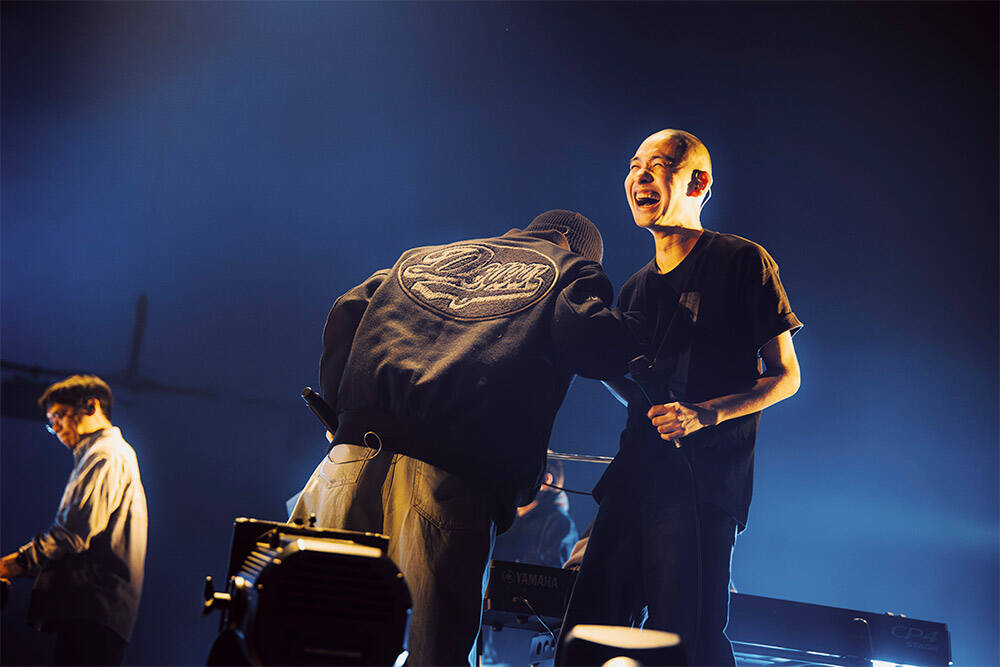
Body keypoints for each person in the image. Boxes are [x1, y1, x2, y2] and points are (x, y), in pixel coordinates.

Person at [290, 210, 642, 666]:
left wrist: (342, 409)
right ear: (577, 248)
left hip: (348, 461)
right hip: (448, 477)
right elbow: (595, 343)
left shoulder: (425, 256)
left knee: (314, 638)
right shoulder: (571, 270)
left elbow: (347, 310)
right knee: (431, 653)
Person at [557, 130, 802, 666]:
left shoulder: (742, 261)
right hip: (634, 477)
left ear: (698, 182)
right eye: (633, 165)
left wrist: (703, 415)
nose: (639, 176)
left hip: (704, 484)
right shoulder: (634, 288)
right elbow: (635, 388)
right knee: (585, 637)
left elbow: (786, 376)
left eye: (659, 165)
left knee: (684, 642)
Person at [0, 375, 148, 666]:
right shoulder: (103, 454)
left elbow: (70, 536)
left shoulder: (105, 454)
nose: (56, 429)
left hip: (92, 612)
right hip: (94, 613)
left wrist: (6, 566)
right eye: (51, 422)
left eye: (60, 416)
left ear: (91, 406)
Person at [484, 460, 580, 665]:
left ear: (546, 480)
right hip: (496, 645)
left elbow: (554, 585)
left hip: (524, 647)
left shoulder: (559, 525)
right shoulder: (509, 521)